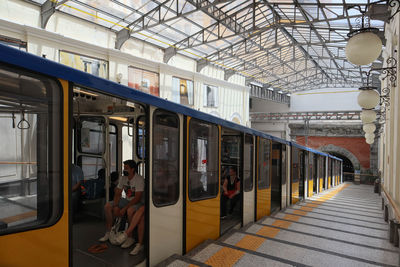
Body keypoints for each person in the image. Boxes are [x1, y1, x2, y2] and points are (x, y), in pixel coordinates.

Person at [99, 160, 144, 250]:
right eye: (124, 168)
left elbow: (137, 198)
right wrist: (115, 205)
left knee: (129, 210)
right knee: (107, 206)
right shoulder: (123, 178)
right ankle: (109, 231)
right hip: (126, 200)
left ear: (132, 169)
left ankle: (130, 237)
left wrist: (124, 208)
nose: (124, 170)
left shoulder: (139, 179)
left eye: (126, 168)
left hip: (137, 202)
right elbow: (118, 193)